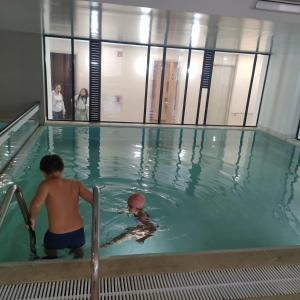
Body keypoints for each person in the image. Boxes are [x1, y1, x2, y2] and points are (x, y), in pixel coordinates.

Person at [29, 154, 93, 259]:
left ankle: (52, 261)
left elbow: (36, 205)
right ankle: (79, 263)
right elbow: (93, 200)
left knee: (50, 252)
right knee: (78, 253)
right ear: (63, 168)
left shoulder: (45, 185)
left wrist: (32, 219)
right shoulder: (76, 184)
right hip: (78, 234)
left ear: (43, 172)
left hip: (56, 236)